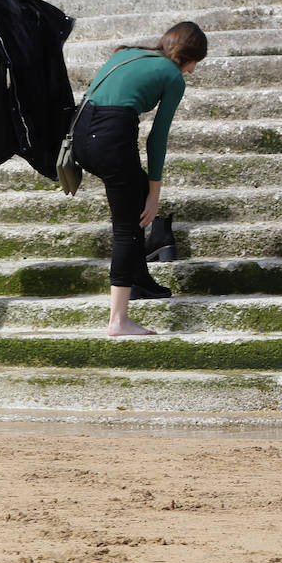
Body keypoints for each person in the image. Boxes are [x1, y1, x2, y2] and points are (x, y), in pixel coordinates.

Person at [71, 21, 208, 337]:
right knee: (127, 226)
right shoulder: (173, 76)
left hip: (80, 133)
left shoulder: (128, 53)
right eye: (194, 65)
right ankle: (118, 320)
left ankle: (140, 280)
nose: (191, 71)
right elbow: (157, 137)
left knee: (132, 195)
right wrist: (155, 192)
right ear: (190, 59)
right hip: (111, 135)